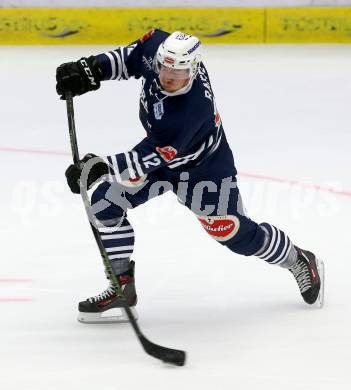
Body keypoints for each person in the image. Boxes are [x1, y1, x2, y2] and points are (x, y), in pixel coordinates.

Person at [56, 30, 324, 323]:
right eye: (165, 68)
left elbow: (149, 155)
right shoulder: (159, 49)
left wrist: (100, 167)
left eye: (179, 72)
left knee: (233, 233)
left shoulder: (190, 110)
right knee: (104, 205)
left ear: (193, 70)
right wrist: (91, 69)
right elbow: (130, 58)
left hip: (203, 170)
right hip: (162, 161)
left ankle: (297, 258)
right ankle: (122, 288)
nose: (169, 76)